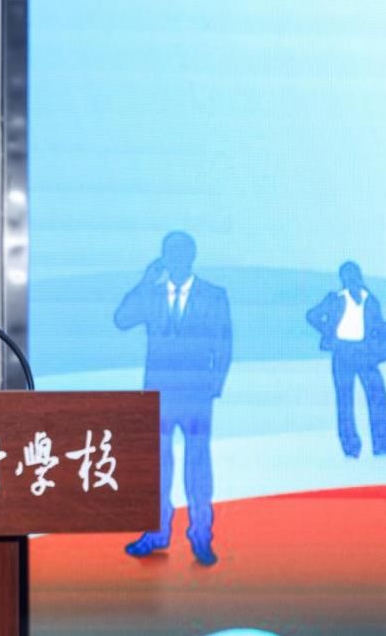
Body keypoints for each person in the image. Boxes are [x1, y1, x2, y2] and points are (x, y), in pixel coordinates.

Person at [113, 231, 231, 567]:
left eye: (180, 252)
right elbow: (121, 320)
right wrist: (144, 281)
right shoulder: (150, 294)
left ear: (192, 256)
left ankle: (201, 535)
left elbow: (224, 344)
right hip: (159, 395)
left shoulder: (214, 295)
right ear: (163, 258)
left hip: (196, 396)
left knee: (198, 467)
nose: (175, 259)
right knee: (158, 468)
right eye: (169, 253)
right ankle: (156, 533)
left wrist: (214, 385)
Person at [305, 261, 386, 458]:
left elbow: (378, 325)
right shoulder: (335, 299)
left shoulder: (370, 300)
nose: (351, 280)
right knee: (345, 401)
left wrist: (380, 344)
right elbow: (312, 315)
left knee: (377, 396)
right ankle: (351, 446)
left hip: (365, 353)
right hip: (343, 353)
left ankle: (383, 443)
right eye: (347, 276)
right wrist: (329, 333)